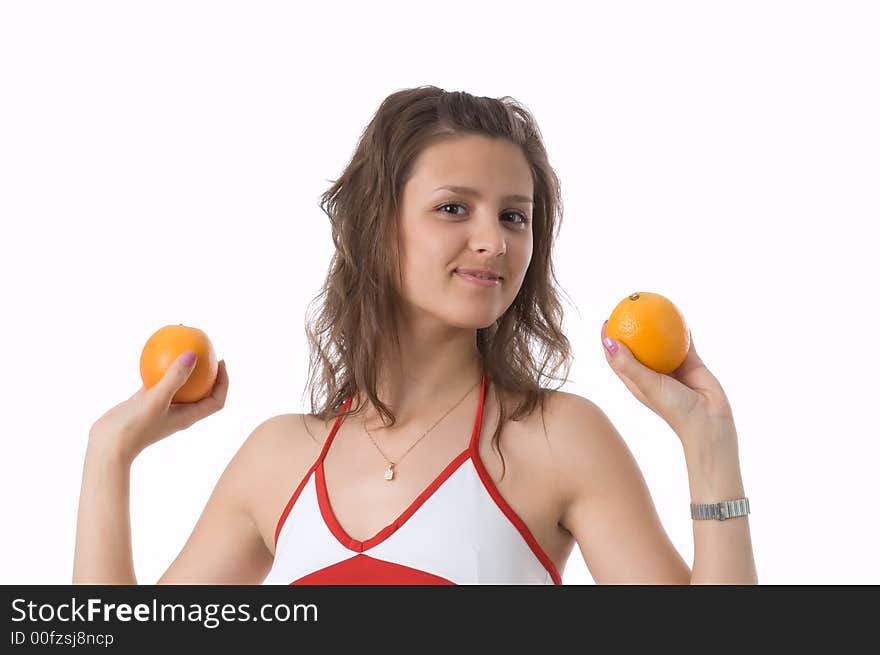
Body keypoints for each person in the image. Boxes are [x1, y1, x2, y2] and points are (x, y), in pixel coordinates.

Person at [74, 86, 757, 585]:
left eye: (515, 217)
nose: (493, 240)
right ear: (373, 229)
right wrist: (109, 454)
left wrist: (710, 444)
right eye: (453, 208)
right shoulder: (277, 458)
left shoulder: (560, 439)